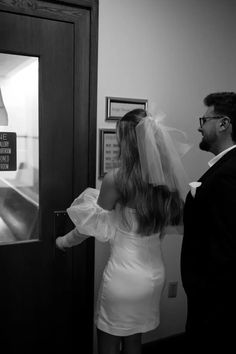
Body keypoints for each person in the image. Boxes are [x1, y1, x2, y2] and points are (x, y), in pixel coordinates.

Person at [56, 109, 187, 354]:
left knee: (107, 342)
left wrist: (64, 241)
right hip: (153, 277)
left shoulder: (117, 179)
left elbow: (91, 225)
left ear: (127, 142)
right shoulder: (165, 180)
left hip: (124, 279)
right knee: (133, 340)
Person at [181, 92, 236, 351]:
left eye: (204, 119)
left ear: (223, 124)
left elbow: (227, 246)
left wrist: (202, 290)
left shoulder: (228, 174)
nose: (199, 126)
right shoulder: (224, 167)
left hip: (217, 303)